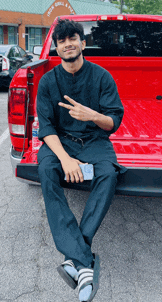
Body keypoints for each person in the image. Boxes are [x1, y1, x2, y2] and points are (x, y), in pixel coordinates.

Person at [37, 19, 126, 302]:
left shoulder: (102, 77)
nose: (67, 44)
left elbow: (113, 121)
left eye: (72, 38)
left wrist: (93, 116)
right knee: (46, 169)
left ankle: (75, 260)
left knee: (109, 174)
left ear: (83, 43)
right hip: (60, 142)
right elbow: (47, 128)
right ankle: (85, 263)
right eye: (61, 41)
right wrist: (65, 160)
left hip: (94, 141)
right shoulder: (48, 81)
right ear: (57, 48)